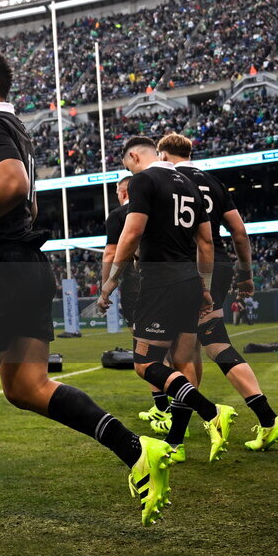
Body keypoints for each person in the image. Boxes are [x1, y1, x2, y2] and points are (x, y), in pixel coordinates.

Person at [0, 49, 172, 541]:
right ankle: (136, 449)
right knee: (26, 388)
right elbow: (18, 205)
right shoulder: (17, 131)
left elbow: (12, 184)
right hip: (25, 268)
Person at [98, 135, 236, 465]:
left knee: (146, 365)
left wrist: (110, 284)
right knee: (184, 362)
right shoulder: (189, 183)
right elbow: (206, 243)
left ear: (133, 156)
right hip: (190, 281)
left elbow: (130, 236)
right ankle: (176, 443)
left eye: (124, 165)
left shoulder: (144, 180)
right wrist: (204, 285)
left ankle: (211, 411)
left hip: (160, 285)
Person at [157, 133, 278, 452]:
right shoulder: (214, 183)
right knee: (213, 341)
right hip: (221, 264)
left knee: (180, 352)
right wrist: (246, 273)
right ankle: (269, 420)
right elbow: (239, 232)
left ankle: (176, 439)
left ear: (163, 154)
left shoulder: (166, 180)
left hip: (188, 268)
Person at [102, 177, 160, 421]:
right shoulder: (159, 207)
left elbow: (111, 253)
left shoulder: (119, 215)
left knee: (145, 354)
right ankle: (181, 409)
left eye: (117, 190)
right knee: (178, 350)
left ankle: (164, 409)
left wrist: (106, 288)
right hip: (171, 280)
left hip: (137, 285)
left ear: (124, 190)